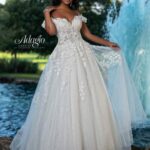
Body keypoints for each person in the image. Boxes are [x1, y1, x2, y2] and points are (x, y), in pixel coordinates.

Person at [10, 0, 146, 149]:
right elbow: (51, 32)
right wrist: (46, 14)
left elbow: (87, 34)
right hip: (63, 58)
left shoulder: (77, 13)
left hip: (83, 57)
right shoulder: (53, 12)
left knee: (89, 95)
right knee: (63, 96)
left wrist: (108, 43)